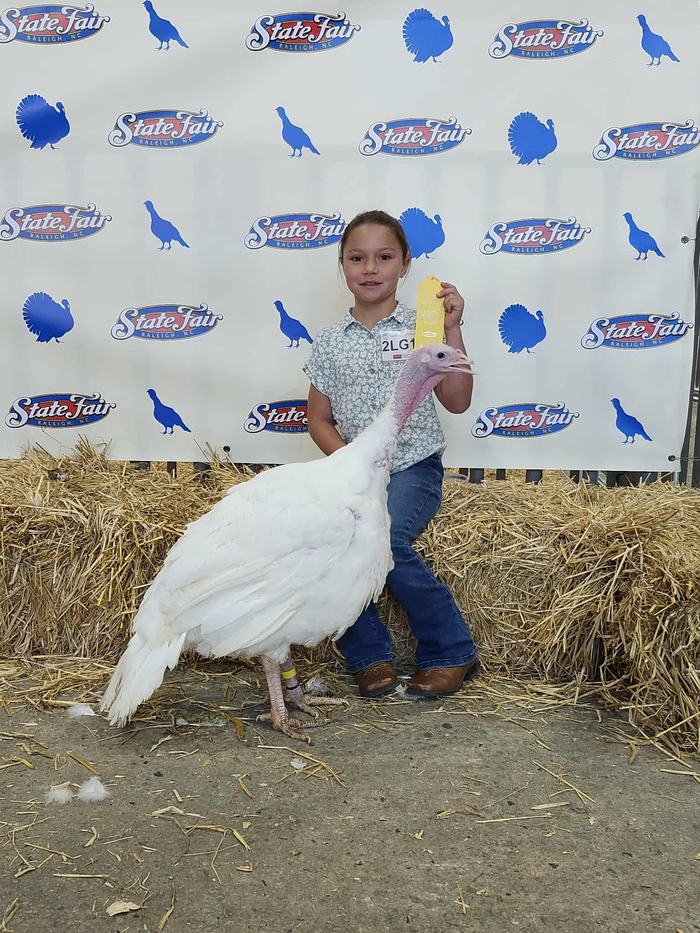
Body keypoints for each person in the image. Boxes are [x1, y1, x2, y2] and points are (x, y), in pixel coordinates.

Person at [303, 209, 478, 699]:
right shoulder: (331, 343)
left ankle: (452, 651)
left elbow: (458, 401)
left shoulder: (424, 328)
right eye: (357, 258)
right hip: (356, 472)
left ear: (406, 264)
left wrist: (453, 329)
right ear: (342, 265)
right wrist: (351, 463)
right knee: (341, 547)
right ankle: (370, 656)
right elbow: (318, 418)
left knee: (388, 543)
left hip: (412, 467)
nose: (370, 268)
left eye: (384, 257)